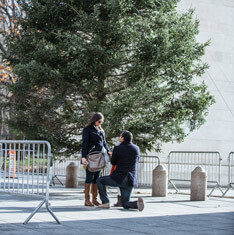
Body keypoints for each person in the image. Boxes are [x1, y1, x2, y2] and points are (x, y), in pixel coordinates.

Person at [96, 130, 144, 211]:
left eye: (120, 136)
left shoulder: (118, 148)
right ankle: (136, 204)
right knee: (125, 204)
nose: (119, 138)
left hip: (119, 177)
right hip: (130, 179)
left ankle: (105, 202)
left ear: (123, 138)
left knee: (100, 180)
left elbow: (113, 162)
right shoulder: (136, 148)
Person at [81, 112, 112, 206]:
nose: (100, 123)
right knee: (89, 177)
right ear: (94, 120)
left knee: (97, 178)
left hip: (99, 156)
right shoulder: (87, 129)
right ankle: (87, 200)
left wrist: (108, 150)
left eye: (101, 122)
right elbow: (85, 143)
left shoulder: (100, 130)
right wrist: (83, 157)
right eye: (99, 121)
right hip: (90, 156)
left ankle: (94, 199)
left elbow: (104, 142)